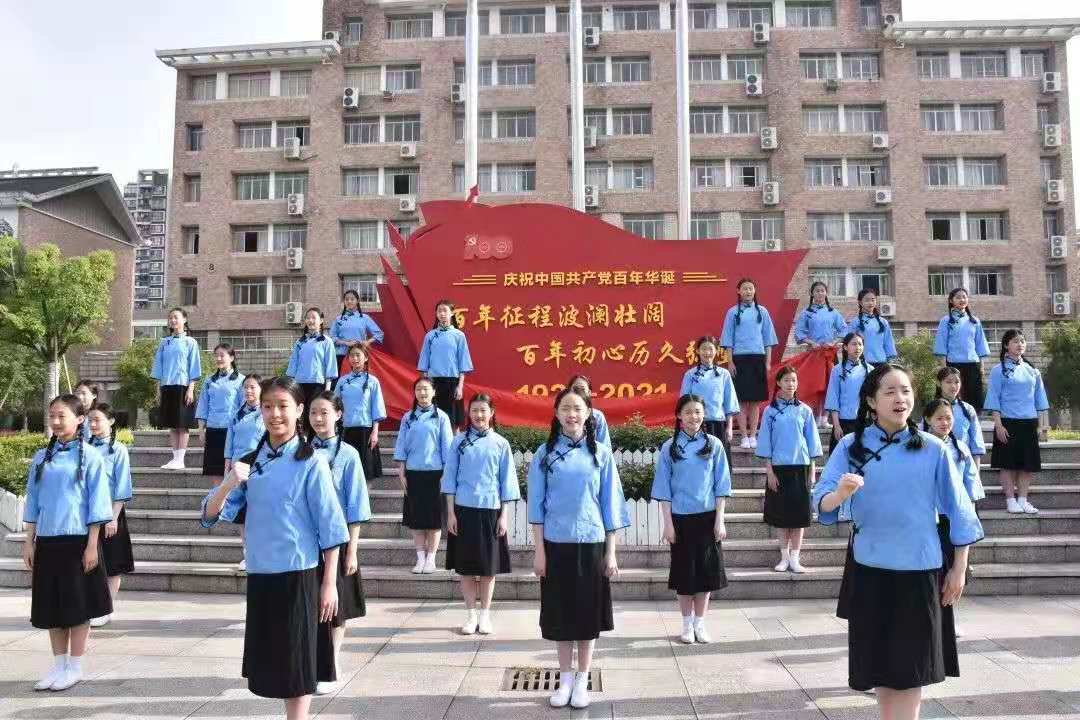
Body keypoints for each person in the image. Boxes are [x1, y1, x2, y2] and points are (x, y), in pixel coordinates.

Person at [813, 364, 983, 720]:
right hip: (869, 568)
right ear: (871, 401)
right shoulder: (850, 446)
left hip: (919, 570)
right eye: (889, 391)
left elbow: (960, 510)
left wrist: (959, 569)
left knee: (910, 672)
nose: (900, 398)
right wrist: (840, 494)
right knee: (882, 670)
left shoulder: (933, 448)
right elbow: (821, 503)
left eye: (905, 390)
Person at [201, 377, 348, 720]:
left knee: (298, 661)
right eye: (267, 406)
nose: (275, 414)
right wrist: (228, 482)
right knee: (275, 661)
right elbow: (209, 515)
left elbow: (331, 527)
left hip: (299, 574)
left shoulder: (311, 461)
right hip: (261, 572)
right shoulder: (250, 462)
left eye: (283, 406)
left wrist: (329, 584)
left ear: (299, 410)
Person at [527, 387, 630, 710]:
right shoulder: (544, 454)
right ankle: (565, 680)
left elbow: (611, 506)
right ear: (556, 414)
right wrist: (539, 551)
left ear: (588, 414)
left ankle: (582, 680)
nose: (572, 414)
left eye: (577, 408)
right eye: (565, 408)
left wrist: (611, 552)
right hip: (556, 545)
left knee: (586, 616)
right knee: (560, 615)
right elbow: (536, 507)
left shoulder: (601, 454)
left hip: (591, 544)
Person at [22, 395, 113, 691]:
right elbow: (33, 501)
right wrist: (29, 541)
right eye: (52, 416)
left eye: (62, 416)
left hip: (78, 542)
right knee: (52, 607)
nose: (56, 421)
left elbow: (98, 503)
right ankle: (58, 665)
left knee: (77, 606)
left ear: (80, 419)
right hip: (48, 542)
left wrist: (92, 545)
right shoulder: (41, 457)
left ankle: (75, 666)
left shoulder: (92, 457)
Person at [651, 394, 731, 644]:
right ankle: (686, 624)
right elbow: (663, 489)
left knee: (706, 574)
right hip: (680, 519)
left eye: (697, 412)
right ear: (679, 416)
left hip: (707, 518)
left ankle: (700, 624)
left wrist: (720, 520)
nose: (693, 417)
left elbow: (721, 486)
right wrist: (668, 524)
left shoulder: (714, 445)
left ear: (704, 415)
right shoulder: (669, 447)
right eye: (687, 412)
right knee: (684, 575)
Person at [307, 392, 372, 695]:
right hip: (306, 539)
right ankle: (312, 662)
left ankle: (332, 663)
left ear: (338, 414)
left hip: (339, 538)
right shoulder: (301, 450)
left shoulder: (348, 454)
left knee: (336, 607)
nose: (318, 418)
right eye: (313, 412)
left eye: (324, 412)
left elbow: (356, 505)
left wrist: (353, 551)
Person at [441, 394, 519, 635]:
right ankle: (470, 615)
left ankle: (485, 615)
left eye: (483, 410)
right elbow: (449, 479)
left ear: (492, 412)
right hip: (463, 511)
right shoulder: (458, 442)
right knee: (465, 568)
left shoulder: (501, 444)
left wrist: (503, 516)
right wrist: (451, 514)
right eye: (474, 410)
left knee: (488, 568)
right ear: (469, 412)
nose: (479, 415)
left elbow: (507, 482)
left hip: (490, 512)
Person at [922, 398, 986, 639]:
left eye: (948, 418)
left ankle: (948, 620)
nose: (944, 422)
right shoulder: (920, 446)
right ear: (928, 419)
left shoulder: (961, 448)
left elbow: (971, 487)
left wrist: (969, 516)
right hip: (927, 517)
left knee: (952, 570)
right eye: (939, 418)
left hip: (953, 518)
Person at [756, 366, 822, 573]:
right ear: (778, 383)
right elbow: (765, 442)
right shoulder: (770, 411)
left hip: (801, 468)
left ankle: (795, 558)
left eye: (793, 380)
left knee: (799, 516)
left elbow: (812, 442)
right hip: (778, 469)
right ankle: (784, 557)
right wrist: (769, 472)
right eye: (786, 380)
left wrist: (812, 470)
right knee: (781, 516)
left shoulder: (805, 410)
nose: (790, 384)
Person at [984, 329, 1050, 515]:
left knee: (1027, 465)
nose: (1020, 344)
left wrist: (1041, 426)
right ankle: (1010, 500)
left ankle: (1023, 499)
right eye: (1015, 341)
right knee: (1007, 464)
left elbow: (1040, 401)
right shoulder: (998, 370)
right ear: (1006, 345)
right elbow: (994, 398)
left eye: (1022, 341)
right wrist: (998, 425)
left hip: (1029, 423)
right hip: (1007, 422)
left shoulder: (1032, 371)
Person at [394, 377, 454, 574]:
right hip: (413, 473)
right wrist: (402, 469)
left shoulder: (441, 417)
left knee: (434, 520)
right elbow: (402, 444)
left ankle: (431, 558)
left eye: (426, 389)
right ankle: (420, 558)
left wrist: (446, 473)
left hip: (435, 474)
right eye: (419, 389)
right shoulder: (408, 418)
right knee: (416, 519)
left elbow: (447, 448)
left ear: (434, 392)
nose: (422, 393)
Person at [86, 404, 134, 628]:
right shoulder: (84, 447)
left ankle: (107, 608)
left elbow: (123, 486)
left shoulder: (118, 450)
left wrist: (113, 517)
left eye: (97, 420)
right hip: (88, 513)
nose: (93, 424)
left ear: (111, 421)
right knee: (91, 560)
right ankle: (92, 605)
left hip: (110, 513)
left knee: (112, 562)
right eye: (90, 420)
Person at [719, 278, 779, 449]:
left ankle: (753, 435)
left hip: (758, 359)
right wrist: (730, 362)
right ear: (738, 291)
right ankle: (744, 436)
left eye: (751, 288)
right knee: (741, 400)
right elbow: (728, 339)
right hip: (739, 359)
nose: (748, 291)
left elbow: (768, 339)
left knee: (755, 401)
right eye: (745, 288)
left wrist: (768, 362)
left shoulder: (762, 311)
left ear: (755, 291)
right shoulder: (732, 312)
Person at [222, 374, 265, 572]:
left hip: (259, 466)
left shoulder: (265, 413)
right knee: (242, 513)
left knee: (259, 511)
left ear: (261, 390)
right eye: (246, 387)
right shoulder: (236, 414)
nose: (248, 391)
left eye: (252, 387)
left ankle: (261, 552)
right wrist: (227, 465)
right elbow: (229, 442)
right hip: (238, 468)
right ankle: (247, 553)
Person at [151, 308, 202, 470]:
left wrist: (191, 389)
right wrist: (158, 389)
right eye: (170, 318)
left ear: (184, 320)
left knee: (182, 424)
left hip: (183, 386)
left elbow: (194, 367)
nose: (173, 320)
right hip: (167, 386)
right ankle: (175, 458)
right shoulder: (164, 342)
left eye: (176, 317)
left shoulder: (190, 342)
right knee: (172, 424)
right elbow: (158, 367)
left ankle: (181, 459)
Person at [679, 336, 738, 463]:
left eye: (710, 349)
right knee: (698, 462)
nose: (707, 353)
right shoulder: (690, 375)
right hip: (696, 425)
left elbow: (730, 403)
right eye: (704, 349)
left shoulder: (724, 374)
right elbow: (684, 402)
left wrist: (729, 428)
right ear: (697, 351)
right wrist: (686, 426)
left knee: (720, 462)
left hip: (719, 424)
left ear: (716, 351)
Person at [334, 344, 387, 481]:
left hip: (366, 431)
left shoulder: (373, 381)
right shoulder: (342, 381)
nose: (355, 358)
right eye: (352, 355)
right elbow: (334, 405)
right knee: (347, 472)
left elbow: (377, 408)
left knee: (367, 472)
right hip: (346, 430)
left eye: (358, 355)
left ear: (366, 358)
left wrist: (375, 433)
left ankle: (366, 495)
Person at [417, 299, 473, 428]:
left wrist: (460, 387)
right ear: (436, 314)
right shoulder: (430, 336)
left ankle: (454, 442)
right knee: (434, 420)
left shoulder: (459, 335)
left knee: (454, 422)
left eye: (445, 311)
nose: (442, 314)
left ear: (452, 313)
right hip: (433, 383)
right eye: (439, 311)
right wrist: (426, 385)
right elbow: (424, 364)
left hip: (452, 382)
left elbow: (463, 364)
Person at [933, 289, 990, 411]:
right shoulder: (946, 321)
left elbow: (980, 345)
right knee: (952, 399)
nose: (962, 300)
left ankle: (973, 420)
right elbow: (941, 345)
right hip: (953, 365)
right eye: (958, 297)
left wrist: (982, 368)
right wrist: (944, 367)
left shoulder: (974, 321)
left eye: (964, 297)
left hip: (973, 365)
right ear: (951, 301)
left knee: (973, 400)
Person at [195, 343, 245, 484]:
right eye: (216, 355)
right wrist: (201, 430)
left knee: (231, 469)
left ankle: (231, 497)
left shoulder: (241, 380)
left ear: (232, 358)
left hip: (231, 430)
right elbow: (203, 405)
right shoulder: (209, 380)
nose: (218, 358)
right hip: (213, 430)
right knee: (215, 470)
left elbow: (244, 406)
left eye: (222, 355)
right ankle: (217, 495)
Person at [286, 307, 340, 435]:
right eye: (308, 318)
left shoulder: (327, 341)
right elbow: (293, 365)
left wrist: (327, 390)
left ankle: (315, 442)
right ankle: (301, 442)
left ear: (321, 320)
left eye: (313, 317)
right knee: (300, 416)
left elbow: (330, 366)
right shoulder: (300, 342)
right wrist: (290, 387)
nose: (310, 320)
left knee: (315, 415)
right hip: (299, 385)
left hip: (317, 386)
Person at [824, 333, 872, 453]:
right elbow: (833, 398)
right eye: (854, 344)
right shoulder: (837, 370)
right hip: (843, 423)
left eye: (860, 344)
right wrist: (836, 426)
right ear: (845, 347)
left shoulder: (870, 370)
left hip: (865, 423)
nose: (858, 347)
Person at [329, 289, 384, 383]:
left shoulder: (364, 318)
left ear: (357, 301)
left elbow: (379, 334)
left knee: (359, 382)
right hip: (341, 356)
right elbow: (332, 337)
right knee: (339, 383)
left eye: (352, 299)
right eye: (346, 299)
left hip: (358, 356)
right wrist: (346, 343)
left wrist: (367, 342)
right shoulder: (338, 319)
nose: (349, 301)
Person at [935, 367, 986, 460]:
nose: (953, 386)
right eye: (948, 382)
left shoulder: (968, 409)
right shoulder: (931, 408)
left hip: (962, 461)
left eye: (957, 382)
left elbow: (976, 441)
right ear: (938, 383)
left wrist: (976, 467)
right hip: (938, 460)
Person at [846, 289, 897, 364]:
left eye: (873, 300)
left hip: (881, 362)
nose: (870, 303)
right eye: (867, 300)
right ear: (860, 302)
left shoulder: (883, 322)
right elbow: (849, 343)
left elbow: (888, 342)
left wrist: (891, 360)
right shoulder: (855, 322)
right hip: (862, 363)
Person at [567, 375, 611, 447]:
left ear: (589, 393)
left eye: (582, 389)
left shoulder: (598, 416)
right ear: (569, 392)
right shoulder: (563, 414)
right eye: (575, 389)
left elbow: (605, 447)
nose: (579, 392)